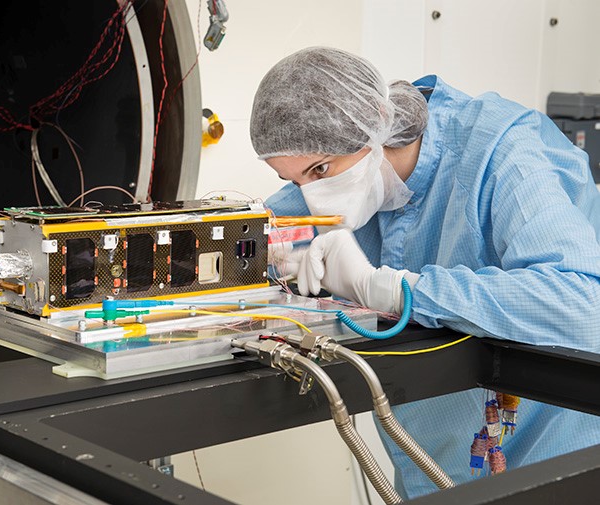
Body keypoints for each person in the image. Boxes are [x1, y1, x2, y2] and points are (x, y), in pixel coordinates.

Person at [250, 46, 600, 499]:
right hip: (432, 463)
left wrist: (391, 289)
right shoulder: (343, 160)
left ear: (375, 124)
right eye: (296, 181)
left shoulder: (500, 150)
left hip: (552, 452)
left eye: (320, 169)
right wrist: (266, 255)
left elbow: (580, 304)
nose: (313, 199)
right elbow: (250, 236)